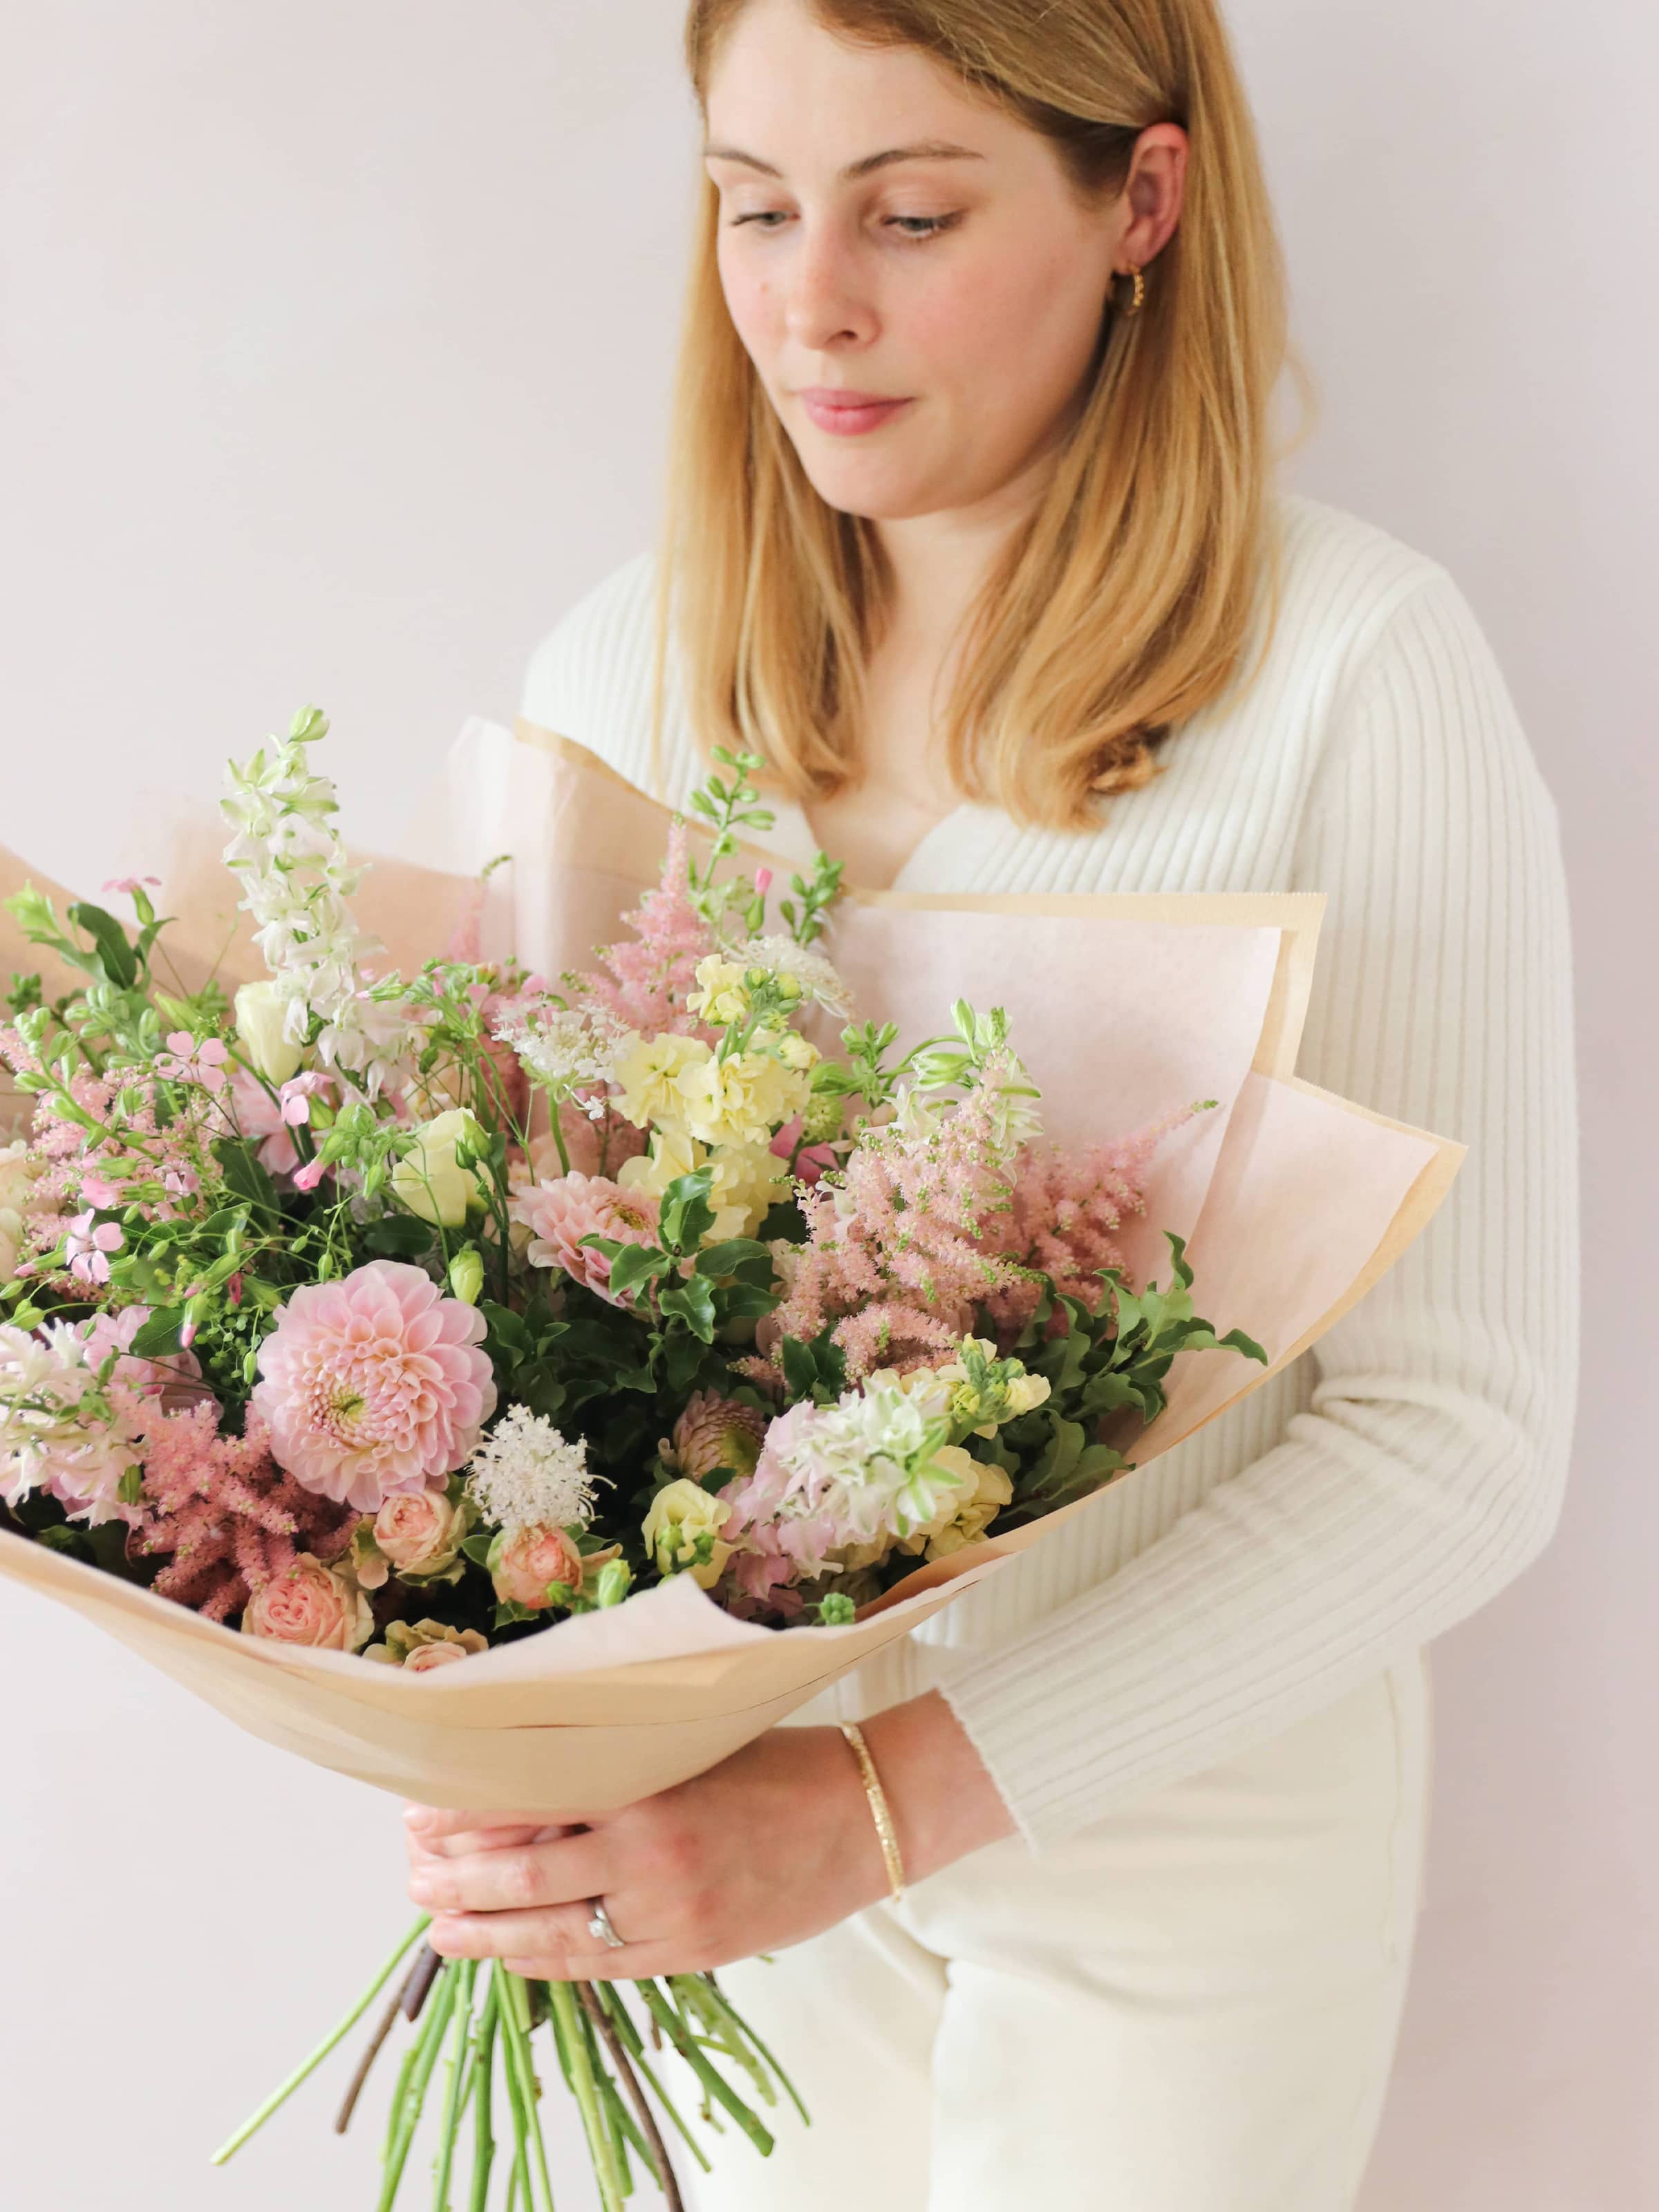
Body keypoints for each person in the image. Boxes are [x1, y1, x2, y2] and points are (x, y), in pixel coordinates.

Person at [403, 2, 1579, 2204]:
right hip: (699, 1860)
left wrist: (879, 1806)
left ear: (1141, 199)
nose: (808, 300)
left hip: (1178, 1837)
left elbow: (1462, 1437)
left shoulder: (1349, 671)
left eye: (912, 215)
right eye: (753, 207)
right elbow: (537, 1339)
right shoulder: (619, 677)